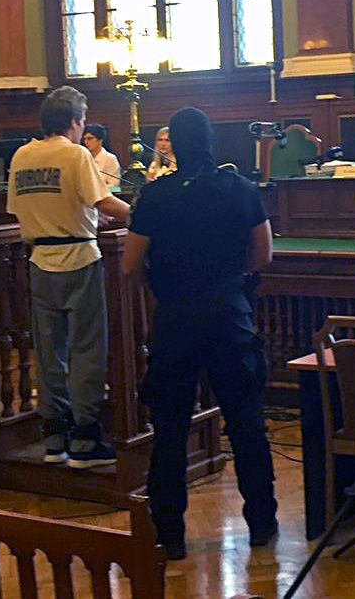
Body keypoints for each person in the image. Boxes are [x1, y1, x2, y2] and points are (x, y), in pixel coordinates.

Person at [124, 106, 278, 561]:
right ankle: (261, 523)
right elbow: (264, 255)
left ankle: (170, 534)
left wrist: (166, 284)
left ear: (175, 144)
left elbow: (130, 264)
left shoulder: (155, 195)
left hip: (175, 320)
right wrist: (227, 277)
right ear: (211, 141)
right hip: (229, 316)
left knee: (170, 428)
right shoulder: (241, 189)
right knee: (246, 422)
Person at [7, 86, 131, 469]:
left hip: (39, 262)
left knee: (48, 353)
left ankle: (54, 438)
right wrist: (145, 212)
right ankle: (85, 440)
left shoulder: (22, 155)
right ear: (75, 122)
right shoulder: (76, 154)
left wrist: (84, 216)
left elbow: (23, 208)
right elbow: (104, 201)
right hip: (79, 260)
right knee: (86, 350)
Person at [82, 123, 122, 188]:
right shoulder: (84, 158)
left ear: (100, 140)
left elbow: (114, 185)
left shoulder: (110, 158)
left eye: (89, 138)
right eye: (84, 139)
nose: (86, 142)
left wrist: (96, 190)